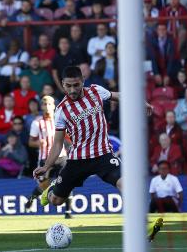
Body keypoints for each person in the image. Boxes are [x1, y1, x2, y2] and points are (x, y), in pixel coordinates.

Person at [33, 66, 163, 239]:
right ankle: (51, 190)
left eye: (76, 85)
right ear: (62, 85)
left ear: (83, 82)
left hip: (103, 155)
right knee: (56, 201)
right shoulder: (61, 110)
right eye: (68, 86)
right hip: (77, 160)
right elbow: (57, 144)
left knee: (127, 185)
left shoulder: (96, 91)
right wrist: (47, 166)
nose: (72, 90)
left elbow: (119, 95)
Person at [25, 95, 72, 217]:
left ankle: (68, 211)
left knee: (67, 181)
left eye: (49, 104)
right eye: (44, 104)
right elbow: (30, 142)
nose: (47, 107)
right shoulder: (37, 123)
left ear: (54, 106)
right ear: (41, 106)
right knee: (44, 185)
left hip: (61, 157)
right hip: (45, 159)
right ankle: (31, 199)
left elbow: (68, 138)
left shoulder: (60, 120)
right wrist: (38, 143)